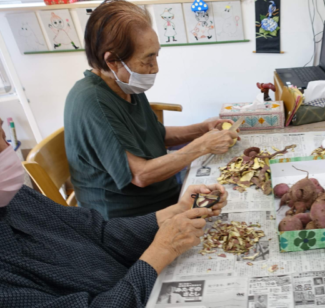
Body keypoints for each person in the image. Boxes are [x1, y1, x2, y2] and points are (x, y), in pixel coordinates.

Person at [0, 117, 229, 308]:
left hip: (125, 294)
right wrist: (160, 252)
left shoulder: (12, 198)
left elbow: (98, 232)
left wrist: (171, 214)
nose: (7, 150)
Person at [64, 0, 239, 219]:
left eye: (156, 55)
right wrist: (203, 145)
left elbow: (158, 135)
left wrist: (203, 129)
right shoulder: (92, 102)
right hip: (128, 217)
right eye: (148, 59)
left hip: (162, 191)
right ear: (112, 61)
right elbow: (141, 174)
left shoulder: (124, 84)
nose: (155, 67)